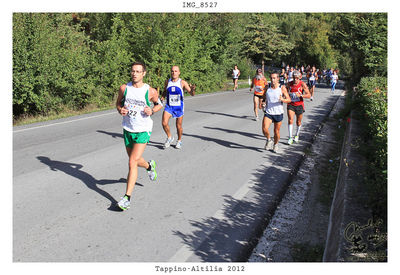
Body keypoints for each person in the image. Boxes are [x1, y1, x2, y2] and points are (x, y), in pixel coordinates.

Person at [115, 62, 163, 211]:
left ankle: (127, 198)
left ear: (144, 73)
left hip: (143, 129)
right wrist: (120, 110)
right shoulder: (124, 88)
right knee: (135, 160)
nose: (135, 73)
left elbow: (160, 103)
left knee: (132, 162)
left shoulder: (150, 91)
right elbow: (118, 104)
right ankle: (149, 166)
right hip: (128, 129)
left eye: (138, 71)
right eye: (133, 71)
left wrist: (152, 111)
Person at [161, 65, 195, 149]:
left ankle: (179, 140)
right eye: (172, 71)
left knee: (178, 126)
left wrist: (192, 89)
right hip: (169, 106)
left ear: (179, 72)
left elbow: (192, 94)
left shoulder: (182, 82)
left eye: (176, 71)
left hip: (179, 107)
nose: (174, 73)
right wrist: (162, 97)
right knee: (164, 123)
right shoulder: (167, 81)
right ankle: (169, 137)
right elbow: (165, 91)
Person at [262, 72, 291, 153]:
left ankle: (276, 144)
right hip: (269, 112)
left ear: (278, 79)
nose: (272, 80)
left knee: (276, 132)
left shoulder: (282, 88)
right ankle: (269, 140)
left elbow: (289, 99)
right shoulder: (267, 87)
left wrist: (283, 100)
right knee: (264, 129)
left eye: (274, 78)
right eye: (271, 78)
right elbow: (264, 97)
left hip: (278, 113)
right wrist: (263, 102)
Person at [286, 70, 311, 145]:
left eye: (297, 78)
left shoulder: (302, 84)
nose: (295, 80)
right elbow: (285, 92)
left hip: (299, 105)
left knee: (298, 122)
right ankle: (290, 137)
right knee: (290, 120)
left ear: (299, 77)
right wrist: (287, 95)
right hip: (291, 104)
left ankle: (296, 135)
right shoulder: (289, 84)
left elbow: (309, 95)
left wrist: (301, 95)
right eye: (294, 78)